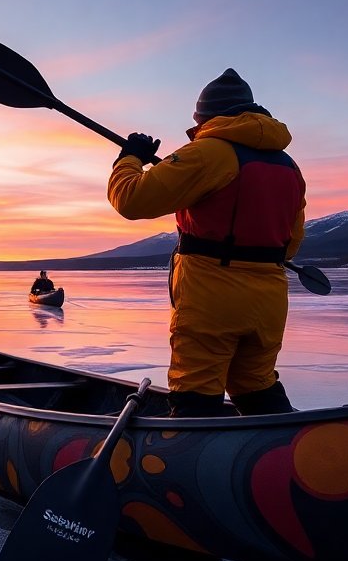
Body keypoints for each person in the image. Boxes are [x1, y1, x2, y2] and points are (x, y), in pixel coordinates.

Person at [107, 68, 305, 418]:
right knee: (256, 383)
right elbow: (291, 244)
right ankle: (285, 451)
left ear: (205, 117)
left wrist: (129, 158)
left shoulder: (208, 153)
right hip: (269, 300)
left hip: (212, 298)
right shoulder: (289, 167)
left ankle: (185, 464)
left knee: (195, 391)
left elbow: (132, 200)